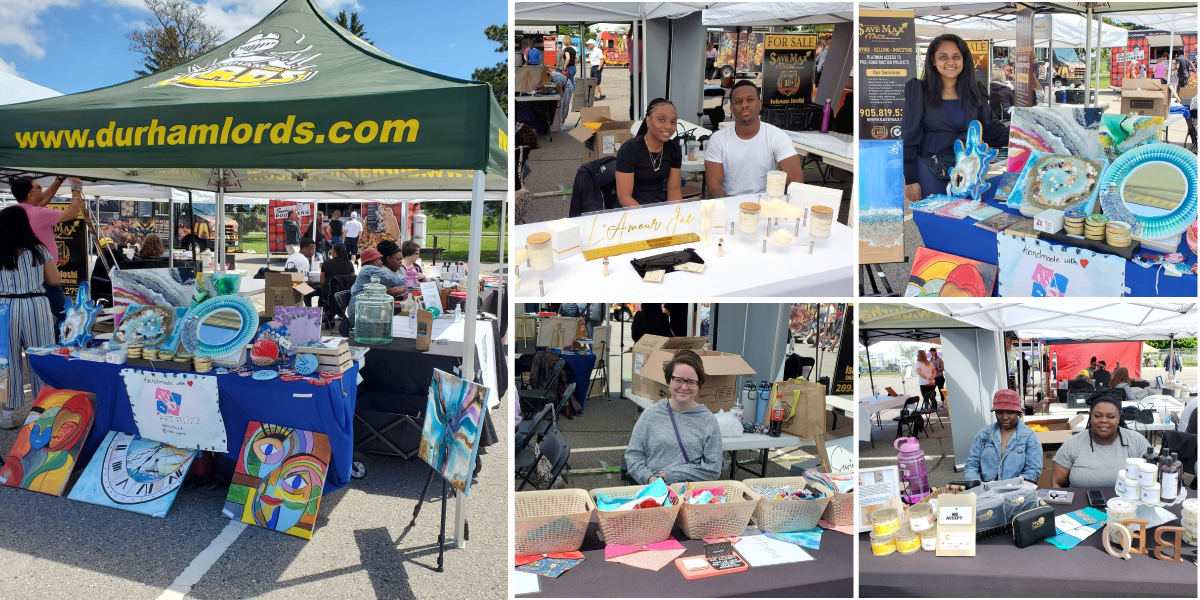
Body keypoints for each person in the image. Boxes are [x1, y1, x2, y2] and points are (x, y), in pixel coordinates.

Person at [901, 34, 1009, 203]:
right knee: (935, 220)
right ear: (933, 60)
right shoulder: (919, 90)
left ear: (964, 60)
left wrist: (1021, 134)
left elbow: (990, 130)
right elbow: (909, 135)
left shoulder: (975, 90)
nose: (950, 62)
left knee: (965, 220)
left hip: (969, 170)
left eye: (956, 57)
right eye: (943, 57)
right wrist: (911, 179)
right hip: (930, 168)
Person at [624, 349, 723, 484]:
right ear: (668, 381)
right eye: (678, 380)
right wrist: (650, 479)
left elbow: (713, 470)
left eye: (691, 382)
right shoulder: (650, 415)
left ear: (699, 385)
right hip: (654, 494)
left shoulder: (708, 421)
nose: (684, 386)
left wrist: (672, 474)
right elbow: (633, 455)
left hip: (692, 498)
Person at [0, 206, 59, 429]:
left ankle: (7, 413)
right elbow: (54, 280)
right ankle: (43, 410)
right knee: (41, 355)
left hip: (4, 305)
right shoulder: (38, 250)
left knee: (6, 360)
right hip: (35, 304)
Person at [704, 81, 804, 198]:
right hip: (728, 201)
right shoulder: (718, 139)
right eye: (738, 101)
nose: (744, 105)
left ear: (760, 104)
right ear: (731, 109)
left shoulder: (776, 136)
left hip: (766, 203)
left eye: (750, 100)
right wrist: (729, 210)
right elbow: (713, 185)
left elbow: (796, 182)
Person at [10, 176, 84, 326]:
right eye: (38, 187)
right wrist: (76, 189)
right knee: (65, 317)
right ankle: (60, 347)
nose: (41, 189)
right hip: (44, 275)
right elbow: (73, 213)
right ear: (30, 195)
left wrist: (59, 180)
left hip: (21, 277)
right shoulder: (38, 213)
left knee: (37, 319)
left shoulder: (14, 212)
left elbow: (44, 199)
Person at [1052, 389, 1152, 488]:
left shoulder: (1137, 442)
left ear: (1119, 418)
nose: (1104, 420)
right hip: (1080, 503)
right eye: (1098, 416)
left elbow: (1152, 479)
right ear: (1090, 416)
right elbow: (1057, 483)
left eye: (1111, 416)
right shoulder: (1073, 444)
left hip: (1128, 504)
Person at [964, 389, 1043, 483]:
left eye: (1010, 412)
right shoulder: (984, 434)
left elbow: (1033, 470)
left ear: (1018, 413)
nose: (1004, 417)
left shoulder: (1030, 437)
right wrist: (976, 484)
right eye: (1000, 412)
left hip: (1017, 492)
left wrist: (1015, 487)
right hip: (986, 491)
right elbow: (972, 464)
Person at [616, 98, 683, 206]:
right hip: (632, 211)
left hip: (659, 206)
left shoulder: (673, 148)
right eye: (661, 120)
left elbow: (674, 191)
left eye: (673, 122)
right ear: (648, 120)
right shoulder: (630, 150)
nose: (668, 126)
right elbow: (624, 196)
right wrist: (647, 218)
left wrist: (676, 215)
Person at [348, 244, 406, 321]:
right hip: (360, 312)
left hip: (359, 310)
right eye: (379, 259)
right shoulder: (371, 269)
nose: (381, 262)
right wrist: (410, 278)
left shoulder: (366, 269)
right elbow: (393, 280)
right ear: (371, 260)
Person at [285, 239, 321, 307]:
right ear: (304, 249)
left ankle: (308, 306)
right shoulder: (303, 260)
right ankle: (314, 310)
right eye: (312, 249)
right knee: (322, 290)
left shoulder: (293, 255)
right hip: (296, 286)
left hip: (289, 283)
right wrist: (318, 281)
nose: (313, 252)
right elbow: (305, 281)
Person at [627, 27, 644, 120]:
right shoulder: (645, 44)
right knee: (643, 96)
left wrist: (631, 27)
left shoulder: (631, 43)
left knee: (634, 97)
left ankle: (633, 117)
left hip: (634, 73)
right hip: (644, 74)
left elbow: (628, 36)